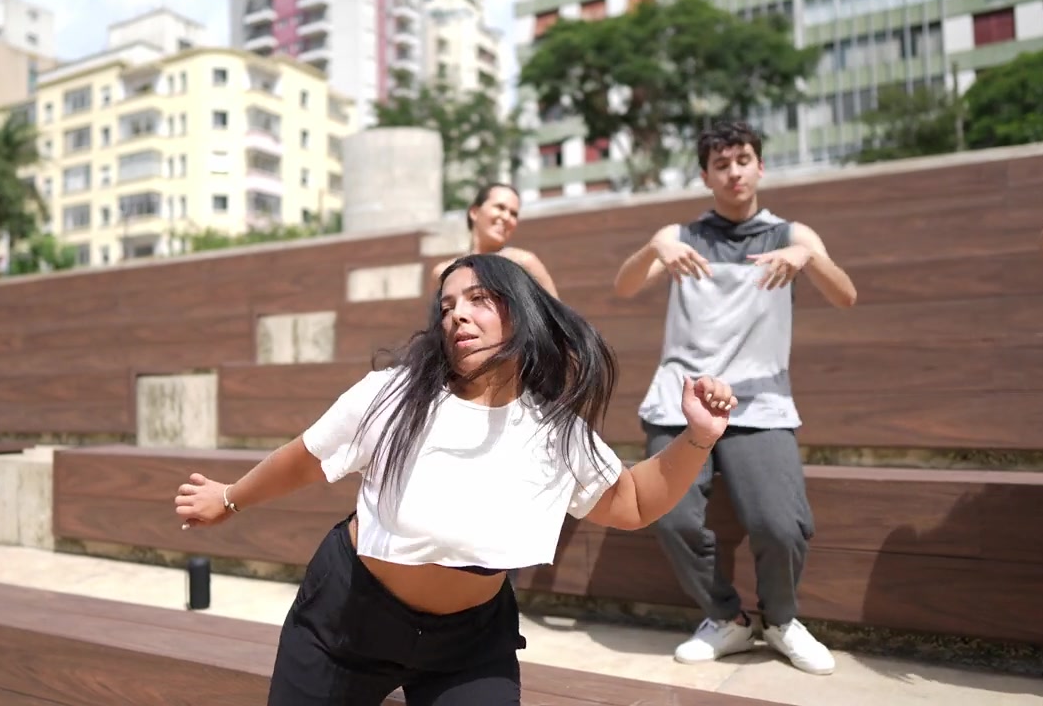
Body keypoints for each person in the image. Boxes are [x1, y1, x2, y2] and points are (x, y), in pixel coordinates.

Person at [175, 253, 738, 705]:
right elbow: (304, 458)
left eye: (479, 300)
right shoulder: (392, 395)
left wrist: (699, 437)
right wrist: (228, 498)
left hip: (469, 644)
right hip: (348, 620)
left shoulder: (555, 430)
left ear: (521, 313)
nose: (457, 316)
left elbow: (632, 503)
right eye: (446, 307)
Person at [611, 121, 857, 677]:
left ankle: (781, 621)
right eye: (721, 164)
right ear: (706, 176)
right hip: (682, 400)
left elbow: (846, 295)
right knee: (670, 518)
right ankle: (726, 619)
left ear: (759, 166)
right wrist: (655, 247)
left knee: (780, 525)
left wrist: (807, 258)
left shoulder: (792, 234)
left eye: (743, 160)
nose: (734, 172)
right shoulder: (680, 234)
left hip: (759, 402)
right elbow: (624, 286)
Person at [431, 183, 559, 298]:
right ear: (474, 212)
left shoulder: (525, 263)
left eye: (513, 214)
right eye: (500, 207)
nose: (506, 217)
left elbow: (557, 314)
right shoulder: (444, 272)